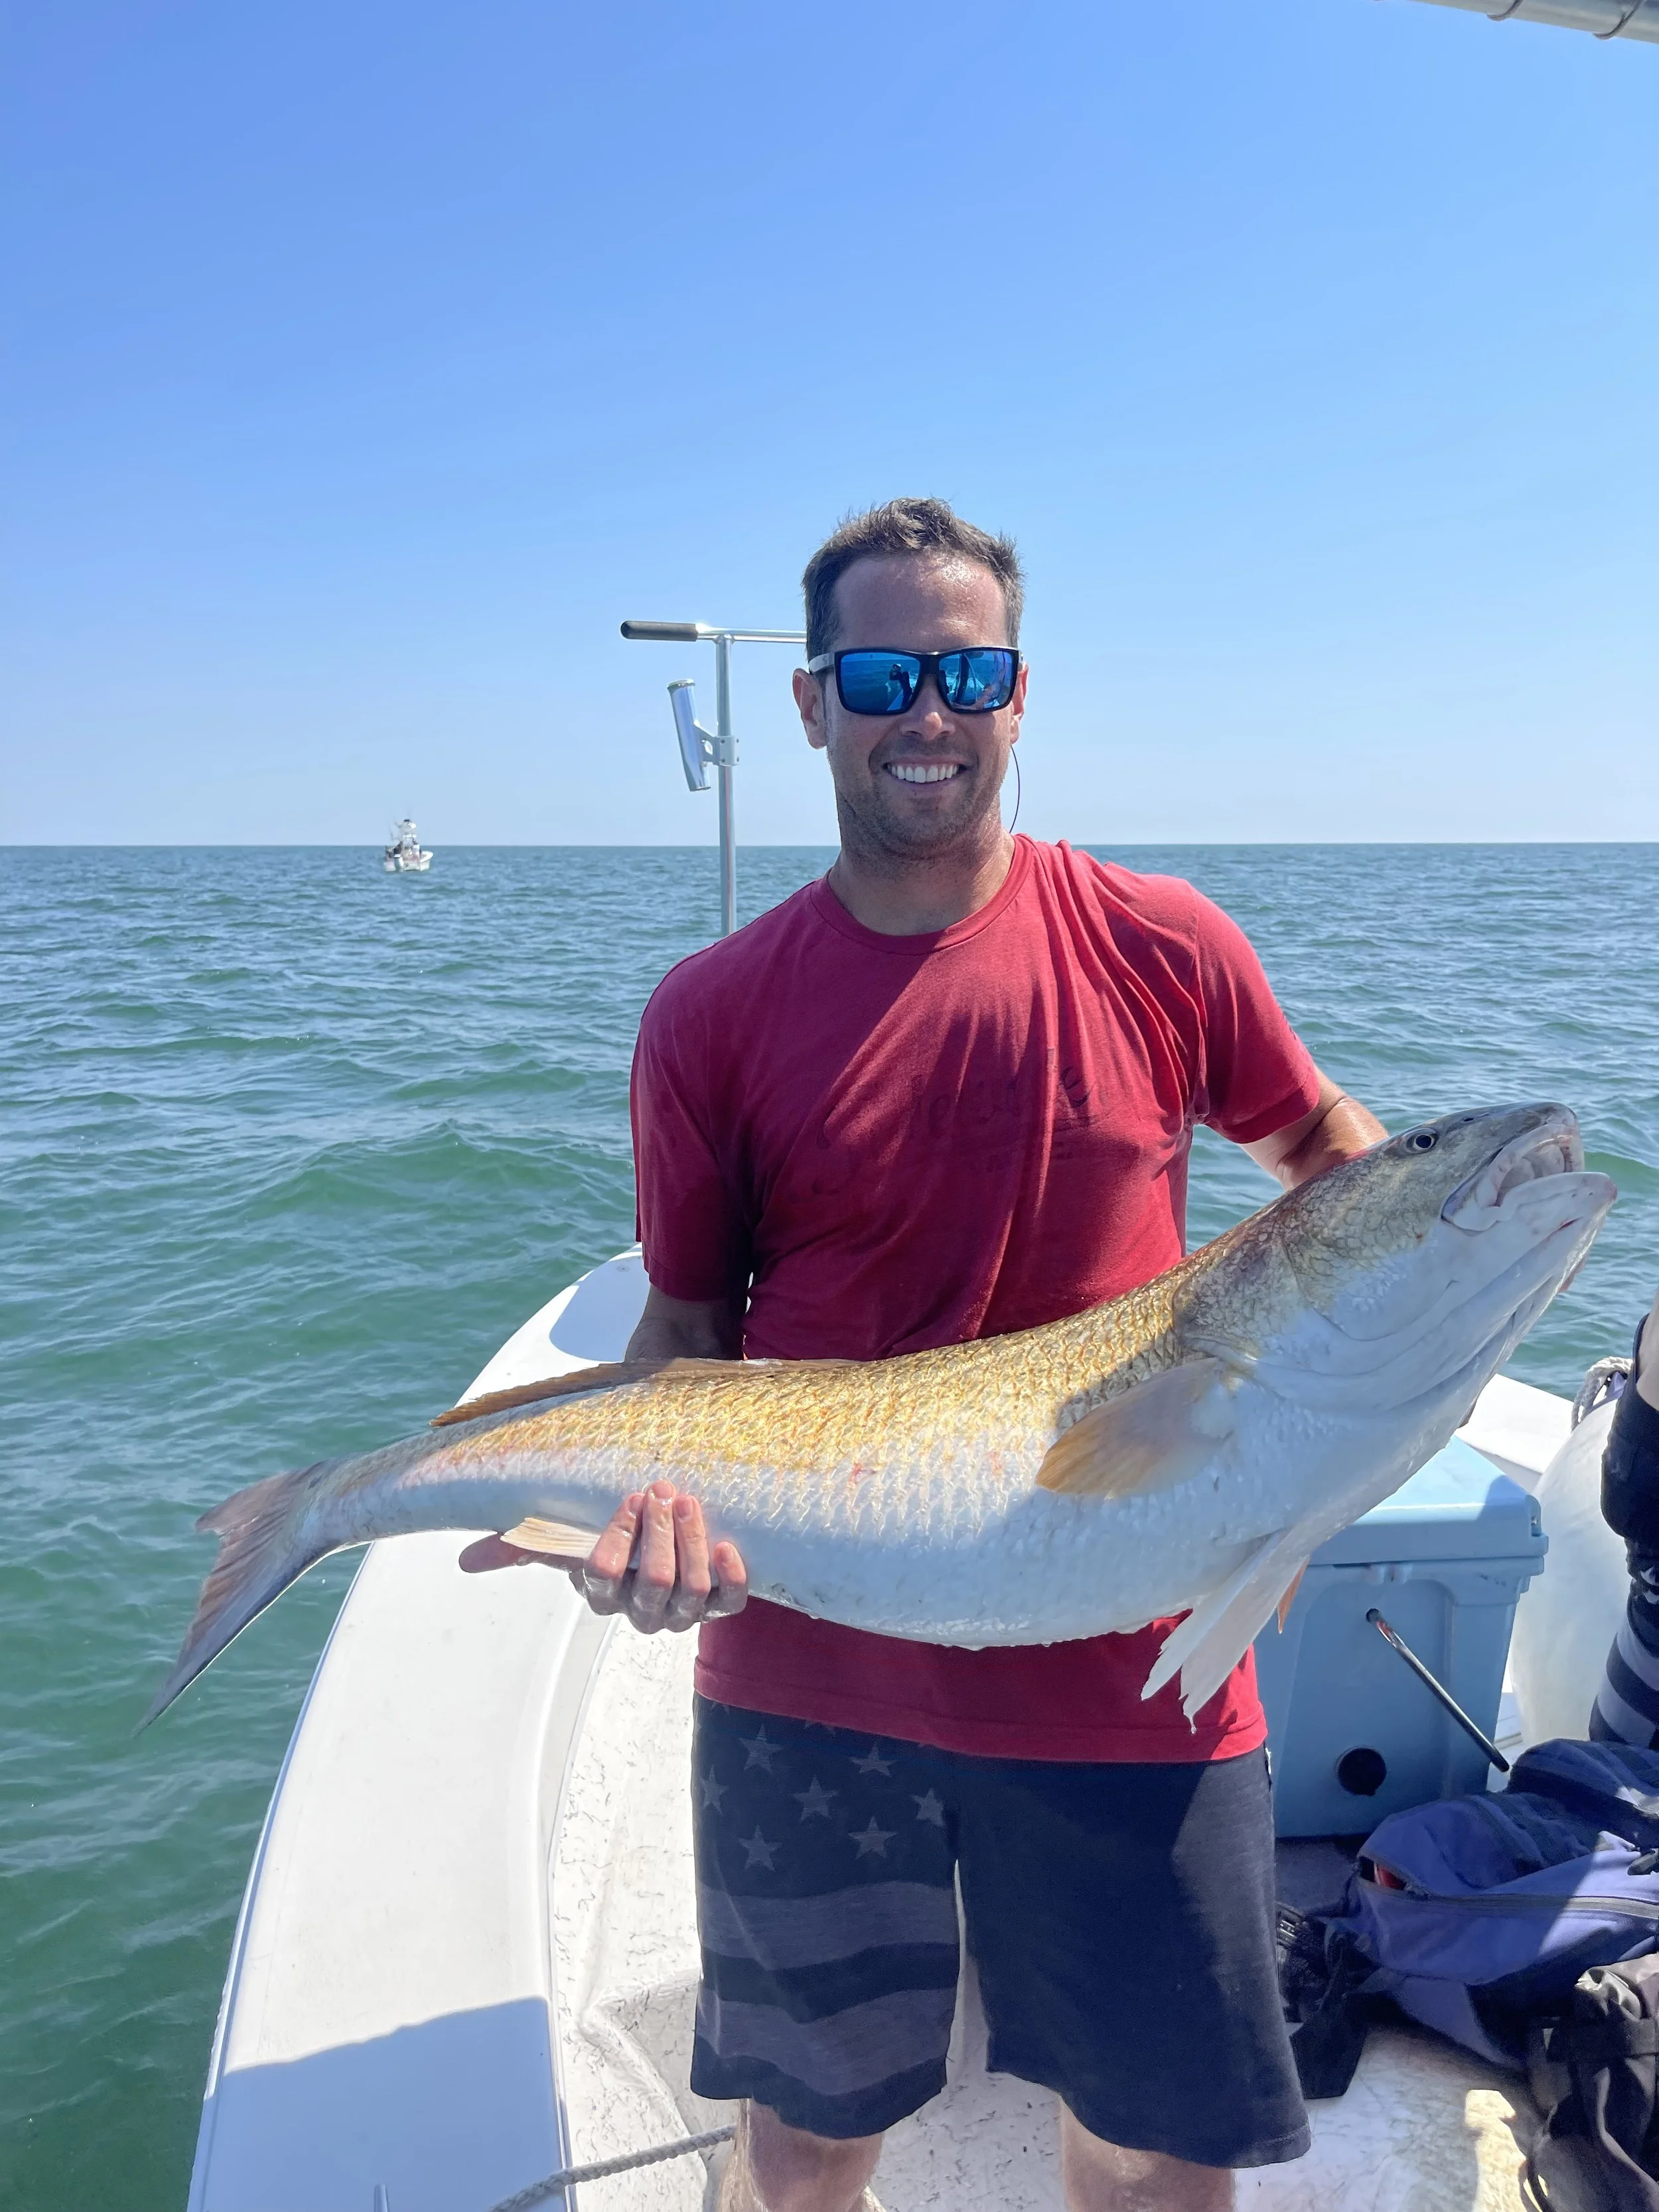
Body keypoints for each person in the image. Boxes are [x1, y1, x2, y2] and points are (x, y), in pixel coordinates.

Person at [472, 496, 1387, 2211]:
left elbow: (1335, 1167)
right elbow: (684, 1335)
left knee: (1149, 2147)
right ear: (814, 702)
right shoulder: (709, 1011)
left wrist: (1322, 1422)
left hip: (1138, 1673)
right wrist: (634, 1529)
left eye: (969, 671)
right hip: (811, 1675)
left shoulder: (1163, 944)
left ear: (1020, 696)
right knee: (804, 2145)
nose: (930, 714)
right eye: (885, 671)